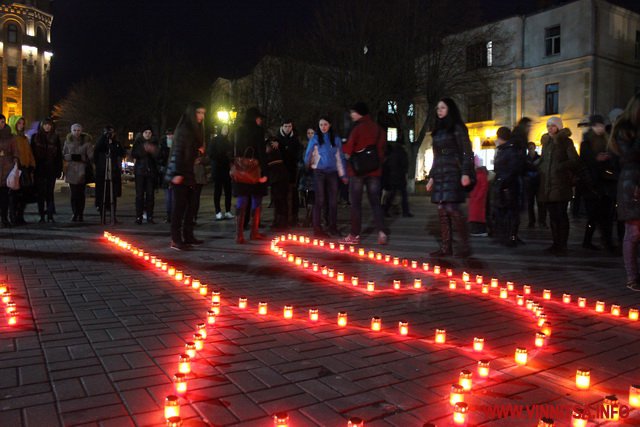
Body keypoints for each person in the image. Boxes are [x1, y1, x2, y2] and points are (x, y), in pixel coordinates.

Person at [426, 98, 475, 257]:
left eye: (442, 107)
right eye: (438, 108)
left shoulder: (458, 128)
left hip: (453, 171)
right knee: (441, 209)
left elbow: (467, 152)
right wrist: (432, 177)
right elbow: (435, 156)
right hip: (440, 172)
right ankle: (446, 247)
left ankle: (465, 246)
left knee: (452, 209)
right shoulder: (438, 131)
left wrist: (466, 172)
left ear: (450, 109)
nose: (439, 110)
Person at [341, 102, 387, 245]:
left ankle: (354, 235)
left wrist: (344, 148)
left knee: (356, 203)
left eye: (353, 112)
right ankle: (381, 232)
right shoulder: (379, 129)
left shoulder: (357, 129)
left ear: (359, 113)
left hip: (358, 172)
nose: (351, 115)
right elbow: (383, 150)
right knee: (375, 203)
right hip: (375, 171)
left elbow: (348, 152)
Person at [608, 93, 640, 291]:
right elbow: (627, 157)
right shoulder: (625, 130)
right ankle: (632, 277)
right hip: (631, 183)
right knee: (634, 232)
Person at [165, 102, 206, 250]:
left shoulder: (196, 130)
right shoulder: (184, 129)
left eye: (203, 113)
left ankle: (188, 235)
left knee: (191, 205)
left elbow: (192, 151)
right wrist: (177, 173)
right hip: (180, 173)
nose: (202, 116)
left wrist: (199, 152)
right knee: (179, 207)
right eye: (199, 113)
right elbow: (178, 152)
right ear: (192, 113)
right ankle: (176, 239)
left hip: (189, 172)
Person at [537, 116, 579, 256]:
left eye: (553, 125)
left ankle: (563, 245)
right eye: (548, 125)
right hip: (548, 185)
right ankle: (555, 244)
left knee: (561, 215)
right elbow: (543, 161)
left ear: (559, 127)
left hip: (561, 185)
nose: (550, 128)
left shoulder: (566, 142)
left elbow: (574, 160)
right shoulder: (546, 143)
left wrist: (559, 167)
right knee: (553, 216)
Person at [304, 116, 346, 238]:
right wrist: (309, 164)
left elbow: (340, 157)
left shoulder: (336, 139)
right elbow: (308, 153)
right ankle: (317, 228)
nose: (323, 127)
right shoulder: (316, 138)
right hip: (319, 172)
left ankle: (333, 226)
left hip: (332, 172)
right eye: (321, 124)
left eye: (325, 124)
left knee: (333, 201)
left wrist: (343, 174)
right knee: (320, 200)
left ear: (330, 125)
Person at [579, 114, 617, 252]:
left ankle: (604, 241)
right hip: (591, 184)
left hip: (605, 183)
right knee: (594, 215)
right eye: (598, 125)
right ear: (593, 126)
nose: (601, 128)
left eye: (602, 125)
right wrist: (596, 159)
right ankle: (591, 241)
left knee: (604, 215)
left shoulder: (606, 140)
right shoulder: (586, 143)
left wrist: (607, 158)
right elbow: (585, 161)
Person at [233, 107, 268, 244]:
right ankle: (254, 232)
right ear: (255, 118)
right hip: (254, 170)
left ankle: (239, 235)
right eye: (259, 118)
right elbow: (261, 152)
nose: (260, 120)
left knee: (241, 200)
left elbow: (234, 150)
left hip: (241, 170)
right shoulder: (258, 131)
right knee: (256, 199)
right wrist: (264, 172)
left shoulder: (238, 130)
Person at [492, 126, 525, 246]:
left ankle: (511, 236)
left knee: (510, 212)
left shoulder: (509, 150)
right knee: (508, 212)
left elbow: (510, 169)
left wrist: (503, 182)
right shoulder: (505, 149)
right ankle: (509, 236)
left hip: (508, 186)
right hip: (506, 184)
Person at [30, 118, 62, 223]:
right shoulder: (35, 137)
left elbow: (58, 155)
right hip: (39, 169)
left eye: (49, 125)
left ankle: (50, 214)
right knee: (40, 193)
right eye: (45, 125)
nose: (47, 127)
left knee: (50, 192)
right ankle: (41, 215)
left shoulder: (55, 138)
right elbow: (32, 154)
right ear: (42, 126)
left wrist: (59, 169)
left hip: (51, 168)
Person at [94, 125, 125, 224]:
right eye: (108, 132)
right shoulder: (101, 142)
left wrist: (114, 144)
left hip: (113, 171)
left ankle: (113, 215)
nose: (110, 134)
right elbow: (97, 151)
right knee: (102, 194)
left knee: (113, 195)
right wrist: (104, 138)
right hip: (102, 172)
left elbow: (121, 153)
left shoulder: (116, 143)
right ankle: (102, 215)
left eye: (111, 132)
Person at [7, 115, 35, 225]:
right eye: (19, 123)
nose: (21, 125)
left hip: (25, 168)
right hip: (15, 169)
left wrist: (32, 164)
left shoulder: (24, 138)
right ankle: (13, 217)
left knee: (24, 195)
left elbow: (29, 153)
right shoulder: (11, 138)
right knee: (14, 195)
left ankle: (20, 216)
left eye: (23, 123)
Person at [63, 123, 93, 222]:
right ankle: (75, 213)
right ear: (71, 131)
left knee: (80, 193)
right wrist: (70, 157)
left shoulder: (86, 142)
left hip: (82, 170)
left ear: (81, 131)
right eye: (74, 130)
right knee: (74, 193)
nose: (76, 132)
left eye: (78, 130)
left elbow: (91, 157)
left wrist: (82, 158)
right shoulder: (67, 142)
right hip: (71, 169)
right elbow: (64, 154)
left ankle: (80, 213)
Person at [276, 119, 302, 227]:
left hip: (292, 171)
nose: (287, 128)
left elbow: (298, 153)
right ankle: (281, 218)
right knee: (280, 195)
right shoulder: (277, 139)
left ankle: (293, 217)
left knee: (293, 195)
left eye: (289, 126)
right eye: (285, 126)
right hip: (280, 172)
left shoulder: (295, 139)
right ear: (282, 127)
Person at [132, 126, 159, 224]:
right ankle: (139, 216)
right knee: (139, 195)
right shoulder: (138, 142)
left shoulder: (154, 143)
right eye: (146, 132)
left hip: (150, 172)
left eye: (149, 132)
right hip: (140, 171)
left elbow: (158, 155)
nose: (148, 134)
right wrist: (144, 150)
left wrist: (152, 151)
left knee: (150, 195)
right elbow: (134, 154)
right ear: (142, 133)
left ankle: (150, 216)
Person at [207, 125, 233, 221]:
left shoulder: (228, 141)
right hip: (218, 168)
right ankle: (218, 211)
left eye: (227, 129)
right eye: (224, 128)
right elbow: (211, 153)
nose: (226, 130)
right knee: (218, 191)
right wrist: (222, 157)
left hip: (226, 169)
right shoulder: (215, 140)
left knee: (228, 190)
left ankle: (227, 211)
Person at [382, 140, 413, 218]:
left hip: (392, 176)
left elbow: (388, 165)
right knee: (403, 195)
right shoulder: (402, 153)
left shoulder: (392, 154)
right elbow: (405, 165)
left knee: (392, 194)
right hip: (400, 176)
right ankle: (405, 212)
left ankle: (385, 210)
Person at [266, 135, 289, 230]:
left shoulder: (274, 151)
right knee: (277, 199)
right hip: (278, 176)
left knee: (280, 199)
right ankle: (278, 221)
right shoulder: (275, 151)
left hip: (278, 176)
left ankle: (282, 222)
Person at [0, 114, 18, 227]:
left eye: (2, 121)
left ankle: (4, 218)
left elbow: (15, 151)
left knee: (4, 197)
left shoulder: (10, 136)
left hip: (7, 168)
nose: (0, 124)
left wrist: (15, 162)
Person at [524, 141, 545, 228]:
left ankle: (541, 221)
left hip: (538, 182)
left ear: (534, 148)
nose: (530, 149)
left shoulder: (538, 158)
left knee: (540, 203)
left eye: (531, 148)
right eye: (529, 148)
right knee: (530, 203)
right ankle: (531, 221)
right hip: (529, 183)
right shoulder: (526, 159)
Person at [468, 155, 489, 237]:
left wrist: (478, 196)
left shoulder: (480, 174)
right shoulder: (477, 173)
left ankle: (479, 230)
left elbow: (484, 186)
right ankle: (477, 229)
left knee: (478, 215)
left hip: (478, 198)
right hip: (475, 197)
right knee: (475, 214)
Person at [158, 129, 174, 223]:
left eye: (171, 135)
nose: (170, 137)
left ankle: (173, 214)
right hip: (166, 173)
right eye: (168, 135)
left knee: (173, 196)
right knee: (168, 195)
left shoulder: (176, 146)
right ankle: (169, 215)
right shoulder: (163, 147)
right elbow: (159, 158)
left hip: (174, 172)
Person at [193, 140, 209, 223]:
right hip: (190, 175)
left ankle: (194, 216)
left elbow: (208, 159)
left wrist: (202, 159)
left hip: (199, 176)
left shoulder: (202, 145)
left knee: (196, 198)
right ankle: (189, 216)